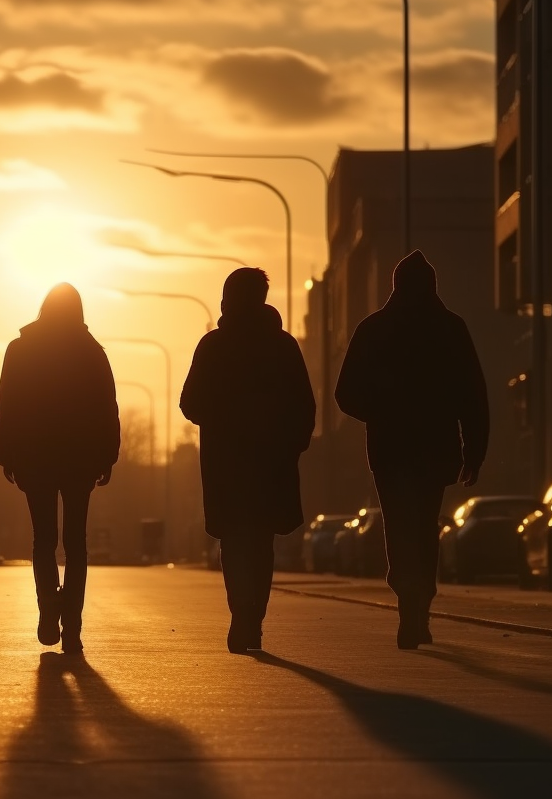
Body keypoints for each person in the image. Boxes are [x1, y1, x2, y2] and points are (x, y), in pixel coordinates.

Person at [335, 250, 488, 649]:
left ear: (395, 286)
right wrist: (474, 453)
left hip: (390, 448)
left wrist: (380, 412)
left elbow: (345, 393)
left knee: (400, 525)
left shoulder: (374, 329)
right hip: (436, 449)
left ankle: (407, 598)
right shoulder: (451, 328)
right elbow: (474, 396)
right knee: (424, 526)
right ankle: (419, 605)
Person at [180, 268, 315, 654]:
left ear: (227, 301)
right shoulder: (283, 346)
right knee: (261, 541)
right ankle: (252, 617)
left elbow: (189, 403)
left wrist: (223, 418)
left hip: (226, 466)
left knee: (236, 541)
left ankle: (242, 614)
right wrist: (294, 444)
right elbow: (305, 405)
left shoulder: (213, 346)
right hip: (272, 465)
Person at [0, 283, 119, 654]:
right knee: (76, 543)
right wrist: (108, 455)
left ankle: (49, 609)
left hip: (36, 457)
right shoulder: (92, 352)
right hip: (80, 458)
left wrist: (6, 454)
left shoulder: (21, 349)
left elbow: (6, 404)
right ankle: (73, 626)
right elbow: (107, 407)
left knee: (44, 540)